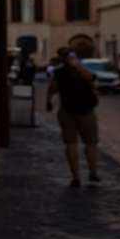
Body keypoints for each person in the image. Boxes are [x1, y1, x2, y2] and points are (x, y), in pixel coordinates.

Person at [46, 47, 100, 187]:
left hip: (71, 110)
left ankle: (81, 175)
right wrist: (77, 65)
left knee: (75, 144)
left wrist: (49, 101)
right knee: (87, 143)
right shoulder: (76, 70)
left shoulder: (58, 72)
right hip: (81, 110)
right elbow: (89, 78)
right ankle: (87, 174)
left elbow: (51, 88)